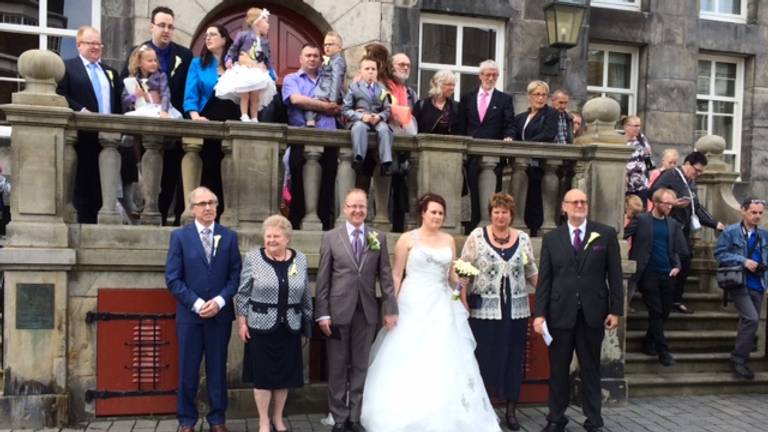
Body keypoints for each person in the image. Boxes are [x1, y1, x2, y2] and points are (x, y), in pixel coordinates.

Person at [361, 193, 501, 432]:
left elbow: (450, 276)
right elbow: (396, 274)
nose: (437, 216)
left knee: (444, 356)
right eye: (433, 211)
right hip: (412, 302)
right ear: (423, 213)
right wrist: (390, 306)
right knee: (408, 355)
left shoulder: (448, 240)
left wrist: (460, 286)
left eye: (440, 213)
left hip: (441, 304)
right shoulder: (407, 239)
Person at [533, 189, 623, 432]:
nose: (580, 205)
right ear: (564, 207)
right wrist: (539, 314)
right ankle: (556, 418)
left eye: (583, 201)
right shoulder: (552, 239)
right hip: (560, 313)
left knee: (591, 369)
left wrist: (616, 310)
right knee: (558, 370)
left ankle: (594, 420)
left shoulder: (604, 234)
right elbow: (545, 280)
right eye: (575, 202)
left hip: (593, 315)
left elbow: (614, 276)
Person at [315, 188, 398, 432]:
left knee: (361, 365)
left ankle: (355, 417)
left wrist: (390, 309)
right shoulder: (331, 237)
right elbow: (323, 279)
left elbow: (385, 276)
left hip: (367, 311)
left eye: (362, 206)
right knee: (338, 366)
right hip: (338, 311)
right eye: (353, 206)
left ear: (367, 209)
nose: (358, 210)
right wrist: (323, 313)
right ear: (345, 208)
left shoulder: (378, 237)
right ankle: (339, 418)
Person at [165, 186, 242, 432]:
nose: (208, 208)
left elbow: (236, 275)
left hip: (219, 316)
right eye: (202, 204)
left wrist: (220, 301)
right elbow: (173, 279)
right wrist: (197, 304)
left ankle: (217, 419)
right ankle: (186, 420)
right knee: (188, 369)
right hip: (190, 316)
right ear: (193, 208)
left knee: (218, 369)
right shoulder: (180, 237)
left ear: (217, 206)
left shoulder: (229, 237)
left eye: (212, 203)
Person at [460, 192, 538, 431]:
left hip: (516, 311)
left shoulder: (523, 239)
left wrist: (548, 296)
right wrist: (462, 300)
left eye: (505, 212)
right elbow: (463, 270)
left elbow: (531, 271)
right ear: (490, 213)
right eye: (496, 211)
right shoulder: (477, 237)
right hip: (483, 310)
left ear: (511, 215)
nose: (500, 216)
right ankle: (484, 408)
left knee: (515, 358)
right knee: (484, 358)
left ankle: (511, 410)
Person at [234, 214, 312, 432]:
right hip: (260, 326)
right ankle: (263, 421)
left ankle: (278, 418)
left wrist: (307, 323)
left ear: (287, 238)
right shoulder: (253, 258)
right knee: (263, 377)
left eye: (276, 236)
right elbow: (243, 294)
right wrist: (242, 323)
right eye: (268, 236)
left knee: (284, 376)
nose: (271, 240)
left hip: (290, 326)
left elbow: (305, 293)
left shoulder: (300, 259)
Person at [125, 6, 193, 226]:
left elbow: (186, 89)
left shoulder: (184, 55)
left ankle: (163, 216)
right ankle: (148, 214)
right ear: (151, 26)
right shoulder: (137, 51)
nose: (166, 30)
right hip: (146, 125)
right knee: (147, 171)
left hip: (173, 122)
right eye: (162, 25)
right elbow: (126, 82)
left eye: (170, 26)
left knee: (171, 173)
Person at [56, 26, 120, 224]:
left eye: (98, 43)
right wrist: (81, 110)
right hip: (81, 138)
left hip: (108, 139)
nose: (95, 47)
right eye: (90, 43)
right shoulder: (67, 67)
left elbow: (117, 104)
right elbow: (61, 94)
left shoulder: (110, 72)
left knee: (105, 189)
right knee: (82, 188)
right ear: (78, 45)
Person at [649, 151, 725, 314]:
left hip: (684, 229)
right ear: (688, 164)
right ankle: (669, 299)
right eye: (696, 170)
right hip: (670, 226)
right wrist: (672, 203)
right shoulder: (670, 175)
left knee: (685, 259)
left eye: (701, 172)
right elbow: (653, 193)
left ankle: (676, 299)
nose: (698, 174)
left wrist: (714, 223)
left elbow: (696, 208)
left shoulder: (690, 182)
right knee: (680, 258)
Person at [624, 188, 687, 366]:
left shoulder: (673, 224)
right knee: (656, 311)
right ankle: (663, 351)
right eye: (666, 203)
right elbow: (624, 235)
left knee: (665, 311)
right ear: (656, 202)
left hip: (667, 272)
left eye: (671, 204)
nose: (669, 207)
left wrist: (677, 265)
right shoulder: (642, 220)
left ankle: (648, 342)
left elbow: (678, 249)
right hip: (647, 271)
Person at [282, 43, 341, 229]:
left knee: (326, 188)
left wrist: (334, 108)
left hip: (329, 140)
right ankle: (297, 228)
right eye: (308, 55)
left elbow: (340, 104)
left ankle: (325, 230)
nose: (312, 58)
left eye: (316, 55)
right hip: (301, 139)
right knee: (299, 187)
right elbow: (296, 100)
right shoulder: (292, 79)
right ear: (300, 59)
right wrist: (325, 107)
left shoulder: (330, 80)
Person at [184, 25, 240, 219]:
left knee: (233, 170)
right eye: (206, 35)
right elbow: (190, 95)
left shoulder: (238, 63)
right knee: (210, 168)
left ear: (225, 39)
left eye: (213, 35)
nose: (208, 38)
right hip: (208, 121)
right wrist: (195, 117)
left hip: (234, 123)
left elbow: (266, 79)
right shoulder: (197, 64)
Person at [457, 59, 515, 232]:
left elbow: (509, 123)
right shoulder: (467, 98)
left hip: (493, 155)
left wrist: (509, 136)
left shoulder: (504, 99)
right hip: (471, 154)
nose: (490, 78)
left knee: (491, 194)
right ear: (480, 76)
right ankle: (473, 228)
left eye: (494, 75)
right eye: (487, 74)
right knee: (472, 191)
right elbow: (462, 125)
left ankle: (489, 228)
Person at [714, 198, 768, 380]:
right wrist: (743, 261)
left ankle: (740, 355)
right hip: (739, 282)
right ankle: (738, 359)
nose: (757, 216)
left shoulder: (764, 235)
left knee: (749, 321)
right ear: (743, 211)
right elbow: (719, 254)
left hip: (758, 284)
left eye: (760, 213)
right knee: (752, 319)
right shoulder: (731, 232)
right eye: (754, 212)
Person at [512, 80, 559, 234]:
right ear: (529, 96)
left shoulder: (550, 113)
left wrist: (525, 145)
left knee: (535, 201)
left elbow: (548, 134)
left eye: (544, 95)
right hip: (521, 164)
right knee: (519, 201)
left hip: (540, 165)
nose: (540, 98)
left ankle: (533, 231)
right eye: (537, 94)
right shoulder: (520, 117)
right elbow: (514, 133)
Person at [216, 7, 277, 122]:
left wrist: (271, 70)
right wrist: (229, 58)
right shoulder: (243, 35)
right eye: (267, 22)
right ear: (258, 22)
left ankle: (254, 117)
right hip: (244, 69)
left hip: (257, 71)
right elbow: (234, 48)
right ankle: (244, 114)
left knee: (255, 96)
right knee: (245, 94)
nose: (268, 25)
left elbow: (268, 58)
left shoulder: (265, 42)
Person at [343, 57, 395, 176]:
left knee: (385, 130)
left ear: (377, 71)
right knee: (359, 128)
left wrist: (380, 116)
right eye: (367, 69)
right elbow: (345, 109)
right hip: (361, 119)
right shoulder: (354, 87)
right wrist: (360, 116)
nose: (370, 71)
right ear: (361, 71)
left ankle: (386, 162)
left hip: (376, 119)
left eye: (373, 69)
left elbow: (387, 109)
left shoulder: (382, 88)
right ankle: (359, 158)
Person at [122, 45, 181, 118]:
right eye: (150, 61)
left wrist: (164, 111)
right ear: (139, 63)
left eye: (155, 60)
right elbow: (124, 101)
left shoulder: (161, 77)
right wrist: (135, 95)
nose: (154, 63)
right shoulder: (132, 80)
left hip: (159, 109)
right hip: (141, 110)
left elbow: (165, 94)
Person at [305, 31, 346, 127]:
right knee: (314, 102)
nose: (327, 47)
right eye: (325, 45)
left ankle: (311, 120)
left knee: (313, 103)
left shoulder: (338, 61)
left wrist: (333, 99)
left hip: (329, 90)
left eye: (330, 44)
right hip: (324, 88)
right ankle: (311, 119)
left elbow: (337, 79)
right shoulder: (329, 60)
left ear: (339, 48)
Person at [413, 69, 458, 135]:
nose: (452, 88)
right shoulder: (421, 105)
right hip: (425, 144)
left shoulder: (457, 107)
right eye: (449, 84)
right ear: (438, 84)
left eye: (453, 85)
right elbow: (414, 130)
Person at [623, 115, 653, 208]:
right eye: (635, 126)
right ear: (626, 127)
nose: (638, 129)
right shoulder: (621, 142)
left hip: (642, 184)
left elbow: (648, 159)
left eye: (639, 126)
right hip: (627, 185)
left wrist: (651, 176)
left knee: (642, 211)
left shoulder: (642, 139)